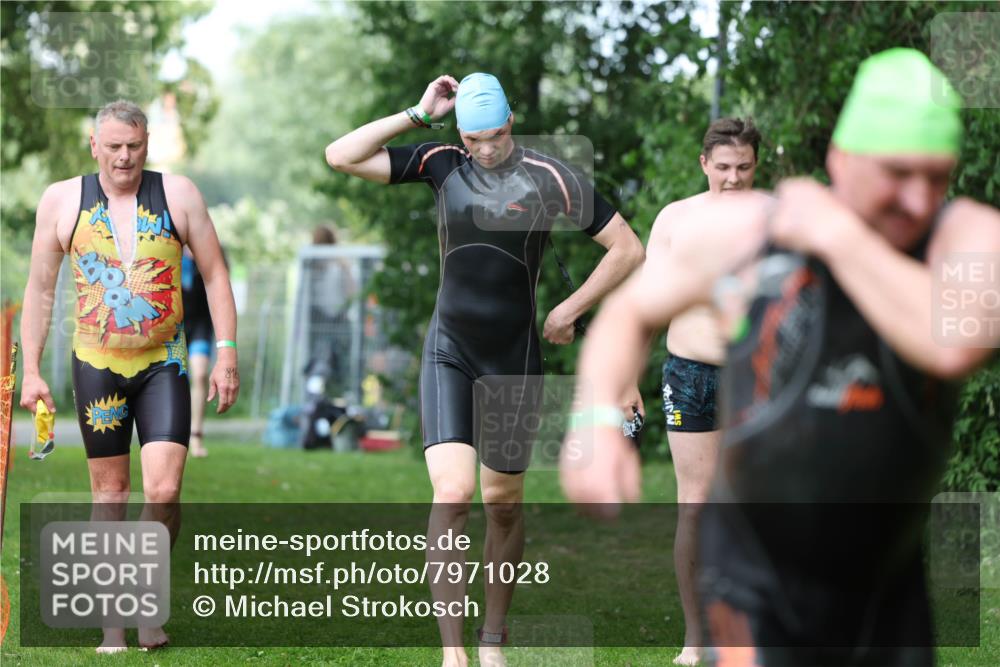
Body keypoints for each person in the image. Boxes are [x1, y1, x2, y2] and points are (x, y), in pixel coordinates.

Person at [561, 48, 1000, 666]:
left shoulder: (964, 234)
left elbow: (956, 340)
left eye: (937, 176)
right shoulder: (747, 231)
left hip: (885, 588)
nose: (918, 199)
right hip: (753, 583)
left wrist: (835, 234)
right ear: (842, 159)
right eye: (898, 172)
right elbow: (630, 313)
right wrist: (594, 421)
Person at [326, 73, 645, 667]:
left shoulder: (550, 177)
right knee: (452, 494)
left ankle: (492, 638)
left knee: (502, 504)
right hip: (449, 349)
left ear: (510, 123)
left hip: (513, 357)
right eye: (474, 139)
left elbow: (628, 248)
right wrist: (418, 114)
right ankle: (454, 655)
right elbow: (340, 156)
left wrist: (570, 309)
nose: (486, 148)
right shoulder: (442, 163)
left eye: (494, 135)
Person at [18, 100, 239, 653]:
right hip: (96, 366)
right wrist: (33, 370)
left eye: (134, 146)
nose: (124, 156)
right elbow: (40, 289)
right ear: (94, 145)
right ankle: (117, 623)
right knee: (111, 495)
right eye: (114, 146)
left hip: (166, 362)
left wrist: (227, 353)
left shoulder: (179, 194)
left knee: (164, 491)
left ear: (147, 145)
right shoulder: (61, 200)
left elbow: (215, 274)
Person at [653, 117, 769, 666]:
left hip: (754, 376)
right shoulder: (676, 219)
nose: (733, 178)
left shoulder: (775, 219)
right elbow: (645, 301)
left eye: (744, 167)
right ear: (704, 164)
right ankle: (695, 637)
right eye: (723, 167)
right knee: (695, 507)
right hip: (689, 375)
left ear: (756, 165)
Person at [180, 244, 224, 458]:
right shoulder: (168, 247)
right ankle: (174, 436)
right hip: (174, 325)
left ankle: (196, 435)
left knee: (199, 375)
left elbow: (220, 285)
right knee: (175, 378)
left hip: (200, 326)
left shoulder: (209, 251)